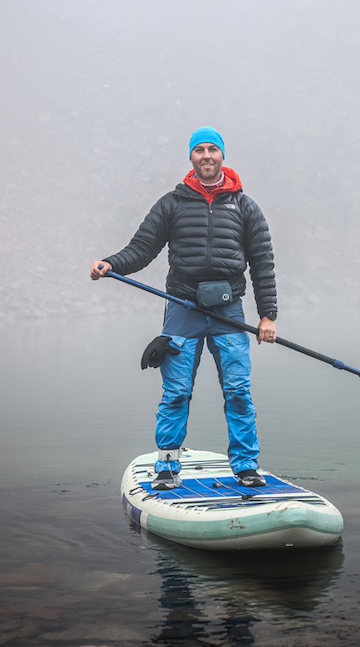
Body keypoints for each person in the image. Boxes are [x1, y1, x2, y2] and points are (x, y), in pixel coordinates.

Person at [90, 126, 278, 490]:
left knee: (238, 391)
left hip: (228, 312)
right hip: (182, 308)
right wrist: (110, 264)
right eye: (199, 150)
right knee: (176, 392)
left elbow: (263, 263)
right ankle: (167, 467)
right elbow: (142, 248)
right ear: (191, 157)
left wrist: (268, 315)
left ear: (223, 155)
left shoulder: (245, 207)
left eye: (213, 149)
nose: (206, 155)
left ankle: (246, 467)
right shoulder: (172, 204)